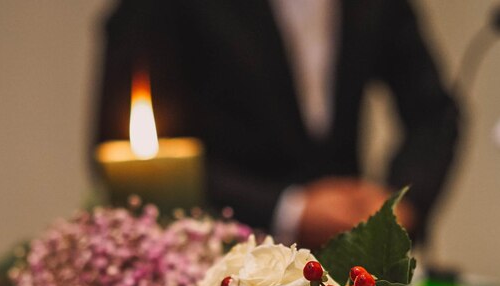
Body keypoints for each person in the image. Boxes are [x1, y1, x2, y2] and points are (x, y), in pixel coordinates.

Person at [95, 0, 460, 248]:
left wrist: (399, 202)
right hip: (222, 257)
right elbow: (133, 153)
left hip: (351, 267)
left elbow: (433, 111)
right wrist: (288, 210)